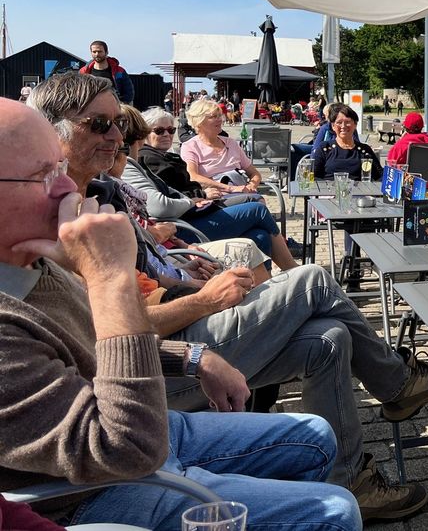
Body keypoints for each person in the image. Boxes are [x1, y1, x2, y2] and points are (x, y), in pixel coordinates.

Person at [26, 76, 428, 521]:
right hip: (143, 380)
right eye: (100, 124)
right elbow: (113, 332)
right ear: (50, 133)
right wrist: (203, 305)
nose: (119, 135)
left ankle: (351, 477)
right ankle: (397, 384)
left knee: (328, 338)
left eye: (118, 123)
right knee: (311, 279)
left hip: (171, 335)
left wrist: (186, 280)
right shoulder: (53, 229)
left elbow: (136, 291)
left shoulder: (97, 197)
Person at [0, 97, 362, 531]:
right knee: (335, 511)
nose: (65, 189)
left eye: (59, 169)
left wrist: (192, 357)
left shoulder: (32, 265)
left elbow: (99, 340)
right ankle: (399, 389)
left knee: (321, 413)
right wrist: (110, 278)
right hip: (92, 488)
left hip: (141, 421)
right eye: (43, 176)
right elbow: (125, 449)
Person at [126, 107, 294, 259]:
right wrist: (201, 195)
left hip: (197, 211)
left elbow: (174, 191)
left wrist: (251, 183)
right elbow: (164, 202)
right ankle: (291, 267)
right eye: (159, 131)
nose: (167, 135)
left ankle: (264, 286)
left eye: (171, 130)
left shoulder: (163, 156)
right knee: (257, 208)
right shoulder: (149, 159)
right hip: (185, 224)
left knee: (259, 235)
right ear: (144, 134)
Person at [313, 103, 382, 181]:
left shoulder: (364, 150)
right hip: (329, 192)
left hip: (358, 192)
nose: (343, 126)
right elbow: (314, 177)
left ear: (355, 124)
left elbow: (380, 176)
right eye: (339, 122)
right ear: (333, 126)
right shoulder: (325, 148)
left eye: (348, 122)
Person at [78, 40, 133, 104]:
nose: (97, 54)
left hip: (115, 106)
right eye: (94, 52)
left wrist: (121, 104)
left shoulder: (119, 71)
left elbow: (129, 91)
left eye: (100, 51)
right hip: (91, 107)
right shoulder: (83, 72)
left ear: (106, 52)